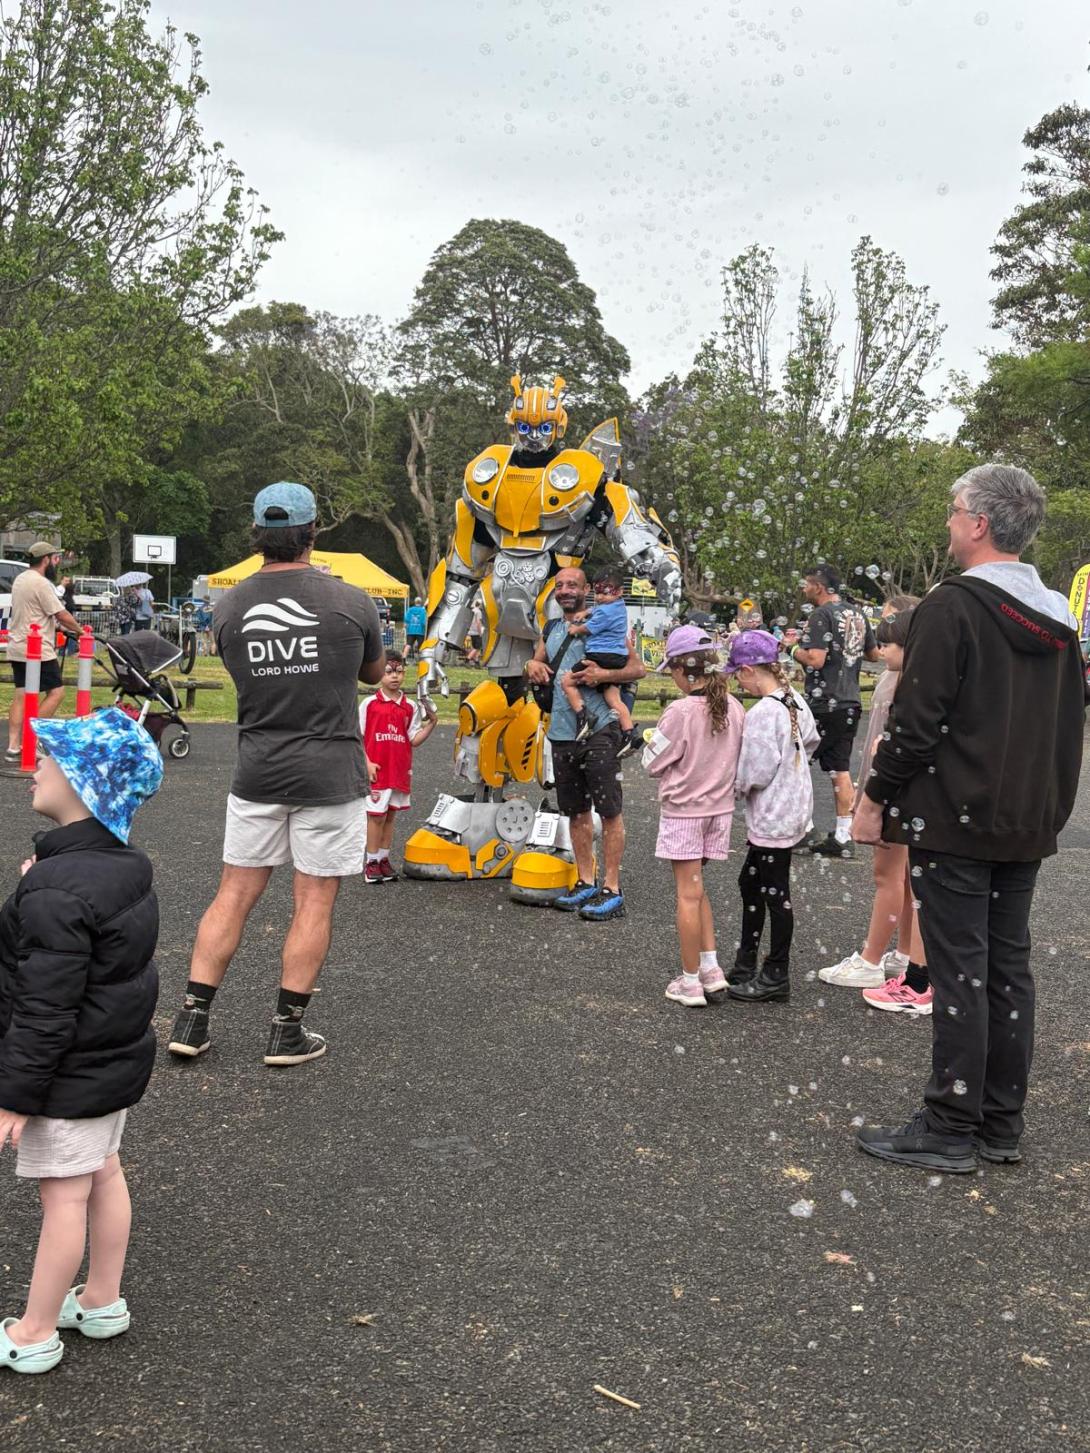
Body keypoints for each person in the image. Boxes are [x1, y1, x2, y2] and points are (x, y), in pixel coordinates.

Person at [853, 464, 1085, 1173]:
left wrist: (874, 798)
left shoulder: (952, 606)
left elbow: (917, 723)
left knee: (959, 970)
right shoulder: (1059, 616)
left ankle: (950, 1122)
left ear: (979, 523)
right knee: (1006, 967)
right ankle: (998, 1119)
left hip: (955, 815)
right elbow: (1067, 719)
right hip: (1026, 816)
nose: (950, 522)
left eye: (956, 511)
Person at [168, 482, 385, 1067]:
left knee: (234, 893)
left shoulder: (228, 606)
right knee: (313, 900)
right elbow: (372, 673)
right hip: (330, 772)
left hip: (258, 768)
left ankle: (191, 1018)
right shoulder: (352, 601)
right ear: (314, 533)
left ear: (257, 536)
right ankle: (286, 1031)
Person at [0, 710, 162, 1372]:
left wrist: (13, 1096)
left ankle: (35, 1330)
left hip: (63, 1074)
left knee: (62, 1196)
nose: (37, 760)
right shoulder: (121, 865)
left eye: (52, 756)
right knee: (103, 1171)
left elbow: (44, 1004)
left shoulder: (58, 887)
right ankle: (100, 1298)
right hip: (110, 1064)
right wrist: (41, 875)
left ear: (86, 783)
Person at [819, 598, 933, 1014]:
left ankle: (870, 959)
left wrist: (871, 797)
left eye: (889, 644)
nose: (880, 651)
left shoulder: (896, 683)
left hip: (891, 793)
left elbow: (884, 748)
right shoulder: (919, 682)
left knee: (887, 876)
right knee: (906, 880)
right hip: (912, 794)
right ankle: (903, 953)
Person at [526, 566, 646, 922]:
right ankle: (585, 879)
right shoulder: (551, 627)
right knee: (575, 810)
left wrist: (604, 675)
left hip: (600, 730)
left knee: (608, 810)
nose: (565, 590)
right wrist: (531, 663)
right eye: (560, 585)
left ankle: (612, 887)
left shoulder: (606, 620)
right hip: (562, 731)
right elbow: (537, 660)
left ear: (586, 590)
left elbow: (638, 669)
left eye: (572, 585)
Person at [643, 625, 745, 1006]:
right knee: (697, 889)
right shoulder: (734, 707)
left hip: (685, 811)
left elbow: (655, 763)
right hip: (719, 811)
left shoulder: (681, 711)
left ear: (683, 671)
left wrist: (647, 744)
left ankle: (689, 982)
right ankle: (710, 967)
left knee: (686, 894)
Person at [728, 630, 820, 1003]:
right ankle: (747, 960)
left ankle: (776, 972)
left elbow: (755, 771)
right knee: (751, 884)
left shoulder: (764, 711)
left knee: (774, 892)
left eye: (738, 674)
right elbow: (811, 739)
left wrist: (734, 786)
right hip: (792, 806)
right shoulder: (792, 698)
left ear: (750, 670)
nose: (737, 680)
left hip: (772, 814)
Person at [783, 566, 879, 859]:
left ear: (818, 587)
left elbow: (815, 659)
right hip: (850, 700)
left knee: (796, 761)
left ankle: (805, 829)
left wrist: (790, 649)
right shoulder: (857, 614)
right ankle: (842, 836)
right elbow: (874, 654)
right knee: (840, 769)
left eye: (806, 585)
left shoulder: (821, 615)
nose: (803, 590)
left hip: (824, 701)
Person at [360, 651, 437, 884]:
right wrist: (367, 763)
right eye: (389, 671)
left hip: (399, 770)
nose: (394, 676)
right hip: (378, 771)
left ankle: (384, 859)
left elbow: (413, 738)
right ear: (380, 675)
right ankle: (370, 862)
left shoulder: (410, 706)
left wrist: (432, 723)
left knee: (391, 816)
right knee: (376, 817)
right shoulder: (369, 704)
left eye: (399, 671)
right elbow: (357, 736)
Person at [5, 543, 81, 764]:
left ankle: (13, 746)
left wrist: (55, 627)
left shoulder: (21, 579)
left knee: (22, 694)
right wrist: (79, 629)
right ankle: (33, 738)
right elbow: (61, 613)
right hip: (37, 649)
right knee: (56, 692)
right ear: (46, 559)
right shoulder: (42, 583)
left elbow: (34, 612)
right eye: (55, 558)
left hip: (18, 645)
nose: (56, 563)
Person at [562, 568, 640, 755]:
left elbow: (591, 628)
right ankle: (629, 733)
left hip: (600, 655)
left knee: (567, 682)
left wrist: (576, 629)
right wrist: (587, 611)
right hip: (616, 658)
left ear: (620, 591)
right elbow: (598, 609)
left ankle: (584, 716)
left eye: (604, 593)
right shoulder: (617, 606)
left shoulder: (605, 613)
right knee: (613, 699)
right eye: (597, 593)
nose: (599, 597)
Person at [404, 596, 427, 661]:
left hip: (410, 631)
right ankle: (421, 660)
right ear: (421, 602)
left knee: (408, 645)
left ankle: (404, 658)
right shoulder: (423, 610)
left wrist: (406, 627)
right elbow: (423, 622)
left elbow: (406, 621)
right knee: (421, 646)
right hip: (420, 631)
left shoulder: (410, 610)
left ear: (415, 602)